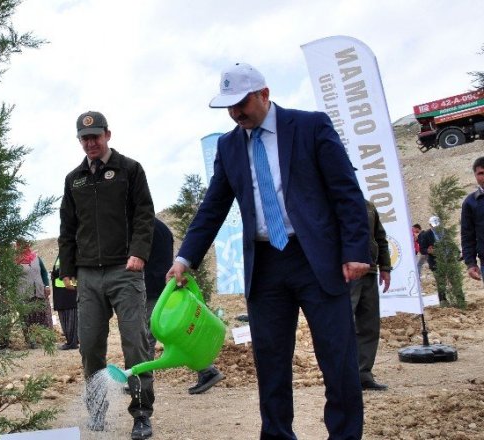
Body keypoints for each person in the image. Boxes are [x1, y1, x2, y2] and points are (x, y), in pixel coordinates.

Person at [166, 63, 370, 439]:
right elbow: (213, 206)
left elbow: (346, 191)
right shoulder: (229, 146)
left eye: (241, 103)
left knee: (338, 361)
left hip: (317, 260)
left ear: (264, 94)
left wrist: (356, 249)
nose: (235, 113)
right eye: (228, 107)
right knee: (271, 365)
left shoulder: (310, 127)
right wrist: (184, 257)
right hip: (266, 267)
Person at [58, 110, 155, 440]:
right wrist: (68, 269)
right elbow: (67, 228)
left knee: (135, 344)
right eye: (84, 138)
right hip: (88, 276)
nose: (90, 143)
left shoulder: (130, 170)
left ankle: (141, 413)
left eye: (95, 136)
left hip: (124, 272)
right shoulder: (74, 180)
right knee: (91, 346)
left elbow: (144, 214)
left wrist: (139, 253)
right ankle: (96, 409)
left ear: (108, 135)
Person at [351, 200, 391, 391]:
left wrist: (385, 267)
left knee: (369, 324)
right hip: (345, 273)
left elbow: (380, 237)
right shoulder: (330, 202)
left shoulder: (368, 206)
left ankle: (364, 374)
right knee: (343, 324)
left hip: (370, 271)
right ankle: (344, 375)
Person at [15, 240, 53, 348]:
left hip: (40, 292)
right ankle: (31, 341)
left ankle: (46, 338)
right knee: (28, 317)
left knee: (43, 315)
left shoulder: (36, 258)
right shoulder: (15, 261)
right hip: (24, 294)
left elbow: (44, 272)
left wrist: (46, 285)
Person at [461, 156, 484, 285]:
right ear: (475, 175)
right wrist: (470, 263)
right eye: (481, 173)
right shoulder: (470, 203)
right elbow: (467, 235)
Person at [50, 257, 78, 350]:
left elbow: (70, 271)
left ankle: (72, 343)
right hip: (60, 292)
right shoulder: (60, 256)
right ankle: (71, 340)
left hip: (69, 291)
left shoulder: (72, 255)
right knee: (64, 318)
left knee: (71, 318)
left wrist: (56, 273)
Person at [417, 216, 447, 303]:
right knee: (440, 281)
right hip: (435, 261)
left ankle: (459, 298)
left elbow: (451, 243)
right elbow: (422, 249)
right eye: (434, 225)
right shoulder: (426, 235)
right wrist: (428, 251)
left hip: (447, 259)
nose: (436, 227)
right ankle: (443, 300)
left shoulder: (445, 231)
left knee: (452, 279)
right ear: (430, 225)